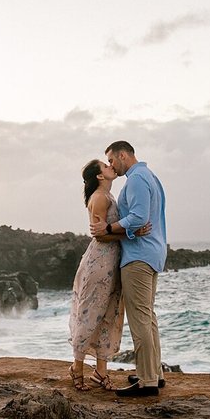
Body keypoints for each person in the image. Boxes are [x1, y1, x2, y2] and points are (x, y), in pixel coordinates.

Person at [89, 140, 167, 397]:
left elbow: (138, 217)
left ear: (123, 155)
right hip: (151, 253)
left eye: (112, 160)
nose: (111, 165)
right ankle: (154, 373)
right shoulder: (150, 176)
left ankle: (147, 381)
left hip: (138, 257)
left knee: (140, 319)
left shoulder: (135, 179)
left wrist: (109, 228)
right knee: (148, 316)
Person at [68, 159, 150, 392]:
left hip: (113, 262)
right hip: (100, 263)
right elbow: (101, 236)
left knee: (109, 314)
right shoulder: (100, 198)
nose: (111, 166)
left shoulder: (107, 196)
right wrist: (133, 234)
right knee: (90, 313)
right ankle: (77, 367)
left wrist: (131, 232)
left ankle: (101, 371)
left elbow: (107, 230)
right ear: (100, 176)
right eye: (105, 166)